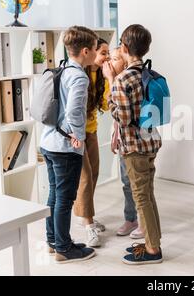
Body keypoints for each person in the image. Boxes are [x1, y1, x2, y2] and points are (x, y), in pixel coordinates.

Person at [104, 24, 163, 265]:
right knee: (148, 195)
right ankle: (153, 241)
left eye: (120, 44)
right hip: (150, 142)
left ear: (126, 48)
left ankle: (152, 251)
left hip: (134, 147)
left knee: (140, 197)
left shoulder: (122, 79)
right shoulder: (148, 73)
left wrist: (110, 99)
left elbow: (124, 118)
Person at [40, 26, 99, 263]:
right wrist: (79, 138)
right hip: (65, 147)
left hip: (49, 141)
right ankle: (65, 248)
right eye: (95, 49)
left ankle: (54, 242)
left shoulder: (62, 69)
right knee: (65, 198)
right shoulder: (79, 76)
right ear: (85, 51)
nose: (96, 53)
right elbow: (75, 111)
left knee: (54, 194)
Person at [73, 38, 111, 247]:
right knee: (85, 176)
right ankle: (88, 225)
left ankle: (83, 215)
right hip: (76, 133)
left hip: (91, 130)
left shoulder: (101, 76)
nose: (106, 57)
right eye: (103, 52)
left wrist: (111, 78)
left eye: (108, 54)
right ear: (92, 52)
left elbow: (105, 104)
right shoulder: (81, 74)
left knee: (94, 172)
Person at [107, 47, 145, 240]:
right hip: (124, 139)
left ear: (124, 60)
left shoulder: (124, 80)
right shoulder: (118, 81)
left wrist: (110, 80)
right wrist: (115, 136)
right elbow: (118, 119)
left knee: (136, 184)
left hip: (134, 141)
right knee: (126, 183)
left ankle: (141, 221)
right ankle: (131, 219)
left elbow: (123, 114)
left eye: (114, 59)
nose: (110, 62)